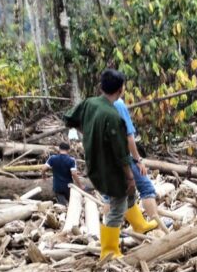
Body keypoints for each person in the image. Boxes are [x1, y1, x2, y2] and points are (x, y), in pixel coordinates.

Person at [63, 69, 157, 260]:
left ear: (101, 87)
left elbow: (69, 118)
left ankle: (139, 224)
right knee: (117, 205)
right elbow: (121, 154)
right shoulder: (112, 116)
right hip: (110, 166)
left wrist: (87, 131)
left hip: (96, 159)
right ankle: (109, 250)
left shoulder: (90, 103)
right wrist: (130, 176)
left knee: (130, 195)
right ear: (121, 89)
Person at [112, 85, 164, 228]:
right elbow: (129, 137)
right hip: (124, 156)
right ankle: (157, 223)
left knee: (120, 194)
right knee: (146, 188)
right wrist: (138, 160)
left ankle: (136, 226)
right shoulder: (118, 104)